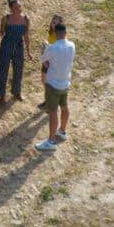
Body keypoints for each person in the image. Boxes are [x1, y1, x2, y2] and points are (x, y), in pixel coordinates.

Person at [36, 23, 76, 152]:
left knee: (53, 112)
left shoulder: (52, 48)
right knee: (64, 107)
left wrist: (44, 49)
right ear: (65, 32)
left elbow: (44, 61)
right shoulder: (72, 45)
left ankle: (51, 141)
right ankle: (62, 131)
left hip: (53, 84)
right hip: (65, 83)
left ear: (55, 33)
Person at [0, 0, 31, 103]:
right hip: (6, 46)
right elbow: (2, 34)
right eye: (16, 7)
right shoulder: (5, 18)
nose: (19, 9)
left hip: (19, 46)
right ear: (11, 9)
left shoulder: (26, 19)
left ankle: (17, 92)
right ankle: (1, 95)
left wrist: (28, 51)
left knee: (19, 70)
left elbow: (26, 36)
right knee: (2, 70)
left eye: (19, 6)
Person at [37, 14, 63, 110]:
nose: (53, 23)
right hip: (46, 61)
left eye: (55, 22)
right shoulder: (51, 33)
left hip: (53, 64)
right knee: (44, 81)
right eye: (52, 21)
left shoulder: (60, 37)